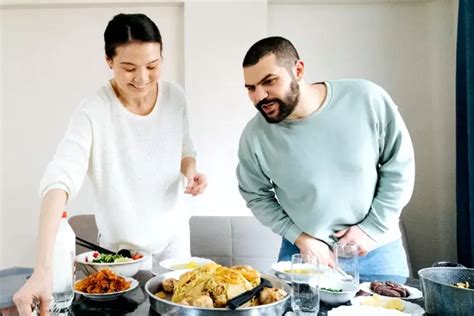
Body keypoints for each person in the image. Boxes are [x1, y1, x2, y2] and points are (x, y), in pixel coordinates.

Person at [13, 13, 207, 315]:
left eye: (152, 66)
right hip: (118, 256)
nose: (142, 78)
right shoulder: (93, 111)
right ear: (109, 61)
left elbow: (186, 148)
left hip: (174, 245)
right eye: (129, 68)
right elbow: (58, 181)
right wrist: (43, 269)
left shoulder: (175, 98)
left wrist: (190, 171)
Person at [236, 36, 414, 276]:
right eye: (251, 88)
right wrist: (300, 238)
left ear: (298, 70)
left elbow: (399, 166)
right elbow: (255, 195)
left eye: (269, 81)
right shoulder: (254, 135)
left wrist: (371, 229)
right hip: (304, 255)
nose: (259, 97)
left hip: (377, 252)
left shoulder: (367, 98)